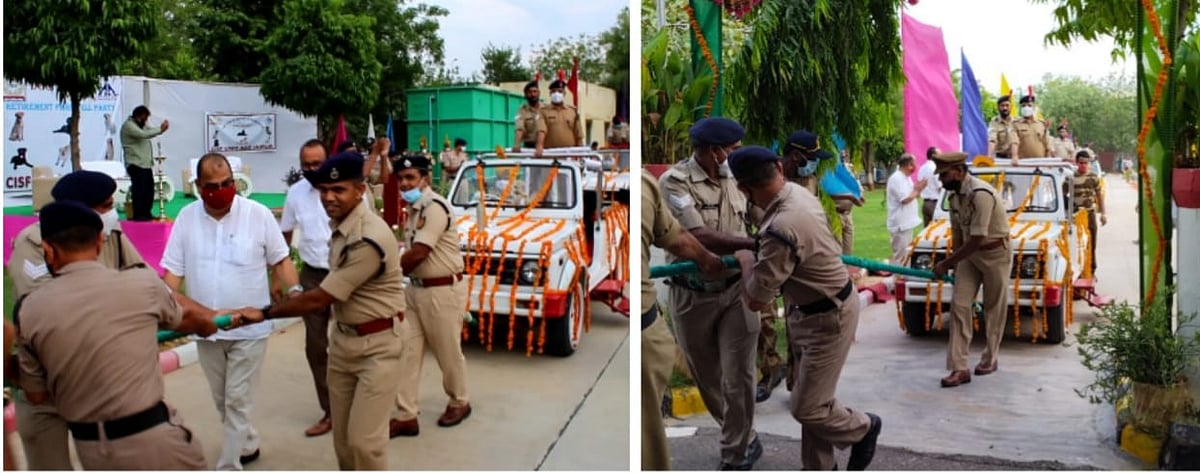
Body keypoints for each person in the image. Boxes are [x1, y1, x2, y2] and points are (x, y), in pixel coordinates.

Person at [14, 201, 229, 470]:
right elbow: (186, 319)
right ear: (100, 244)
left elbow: (35, 395)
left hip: (94, 451)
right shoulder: (142, 284)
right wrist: (211, 321)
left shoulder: (29, 311)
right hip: (157, 441)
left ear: (48, 250)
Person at [236, 151, 407, 470]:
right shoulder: (341, 226)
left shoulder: (368, 237)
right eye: (324, 191)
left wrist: (264, 313)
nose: (328, 197)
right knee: (343, 443)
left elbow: (320, 298)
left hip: (378, 347)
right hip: (344, 343)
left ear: (360, 190)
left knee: (365, 443)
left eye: (338, 190)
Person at [728, 146, 882, 471]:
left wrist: (745, 261)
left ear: (744, 188)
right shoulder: (797, 194)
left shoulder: (781, 229)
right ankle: (818, 467)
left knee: (807, 407)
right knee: (813, 396)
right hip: (812, 309)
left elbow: (756, 298)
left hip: (828, 317)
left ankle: (863, 428)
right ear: (779, 171)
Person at [162, 153, 299, 470]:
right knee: (224, 399)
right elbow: (172, 275)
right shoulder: (186, 218)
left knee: (237, 399)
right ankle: (247, 443)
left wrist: (295, 293)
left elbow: (281, 259)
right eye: (213, 186)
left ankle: (229, 463)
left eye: (227, 184)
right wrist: (166, 305)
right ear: (198, 186)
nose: (221, 190)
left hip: (249, 328)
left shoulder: (258, 214)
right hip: (207, 329)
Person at [5, 170, 145, 470]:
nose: (113, 212)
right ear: (80, 208)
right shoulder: (34, 243)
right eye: (106, 206)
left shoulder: (112, 236)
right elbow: (50, 312)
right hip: (45, 386)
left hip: (99, 381)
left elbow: (144, 283)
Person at [659, 117, 762, 470]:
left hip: (737, 290)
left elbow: (760, 213)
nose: (735, 155)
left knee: (739, 376)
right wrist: (753, 244)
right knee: (709, 379)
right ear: (714, 150)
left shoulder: (738, 177)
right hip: (693, 296)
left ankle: (735, 453)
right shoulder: (674, 181)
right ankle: (745, 436)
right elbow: (696, 236)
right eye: (731, 150)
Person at [640, 169, 726, 470]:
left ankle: (740, 440)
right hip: (656, 323)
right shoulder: (664, 182)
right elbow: (683, 237)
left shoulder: (643, 186)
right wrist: (709, 259)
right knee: (647, 441)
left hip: (731, 292)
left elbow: (677, 238)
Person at [390, 154, 472, 437]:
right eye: (400, 179)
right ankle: (406, 414)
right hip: (415, 290)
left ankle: (460, 400)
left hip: (442, 291)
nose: (404, 184)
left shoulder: (434, 208)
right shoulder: (413, 209)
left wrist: (381, 272)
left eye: (410, 178)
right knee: (406, 352)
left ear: (424, 179)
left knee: (448, 353)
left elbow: (419, 253)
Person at [930, 152, 1012, 388]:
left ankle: (990, 358)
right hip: (969, 257)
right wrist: (954, 265)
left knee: (993, 308)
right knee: (959, 305)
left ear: (958, 171)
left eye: (944, 175)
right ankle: (959, 367)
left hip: (996, 254)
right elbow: (959, 236)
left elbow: (977, 238)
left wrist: (945, 263)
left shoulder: (981, 194)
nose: (941, 180)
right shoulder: (954, 197)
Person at [279, 139, 337, 437]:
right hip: (313, 275)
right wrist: (282, 275)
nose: (312, 169)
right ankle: (330, 411)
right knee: (315, 346)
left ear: (328, 161)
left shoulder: (344, 187)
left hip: (347, 274)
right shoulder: (296, 193)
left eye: (318, 163)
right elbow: (285, 234)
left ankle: (362, 404)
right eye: (307, 164)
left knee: (353, 342)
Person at [120, 105, 169, 221]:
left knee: (149, 190)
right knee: (139, 190)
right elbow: (143, 135)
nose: (146, 120)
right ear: (138, 116)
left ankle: (146, 213)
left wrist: (159, 129)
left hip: (145, 164)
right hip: (135, 163)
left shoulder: (140, 125)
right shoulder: (129, 126)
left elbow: (149, 130)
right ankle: (138, 215)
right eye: (144, 117)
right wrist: (160, 130)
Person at [886, 153, 926, 266]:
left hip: (907, 222)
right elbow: (905, 199)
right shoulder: (897, 178)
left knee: (906, 253)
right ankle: (897, 279)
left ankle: (900, 276)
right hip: (900, 223)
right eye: (913, 164)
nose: (915, 167)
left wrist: (919, 189)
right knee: (901, 254)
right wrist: (917, 190)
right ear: (909, 165)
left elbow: (913, 195)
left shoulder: (906, 178)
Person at [1072, 150, 1107, 278]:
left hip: (1090, 214)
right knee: (1077, 244)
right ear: (1077, 163)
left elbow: (1100, 196)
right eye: (1081, 163)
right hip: (1076, 215)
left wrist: (1103, 213)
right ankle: (1078, 272)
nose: (1083, 166)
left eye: (1086, 163)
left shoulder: (1093, 177)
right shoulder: (1071, 178)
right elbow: (1063, 194)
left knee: (1091, 243)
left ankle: (1091, 271)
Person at [541, 80, 583, 149]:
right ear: (550, 93)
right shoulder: (544, 111)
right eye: (553, 91)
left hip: (569, 153)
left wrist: (581, 152)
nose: (556, 94)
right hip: (550, 153)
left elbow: (579, 134)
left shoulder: (572, 111)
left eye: (560, 91)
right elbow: (541, 132)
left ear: (564, 93)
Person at [513, 80, 547, 156]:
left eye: (535, 91)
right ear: (526, 94)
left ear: (539, 93)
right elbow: (519, 128)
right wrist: (517, 144)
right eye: (530, 92)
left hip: (545, 148)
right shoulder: (522, 110)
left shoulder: (546, 109)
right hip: (529, 149)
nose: (533, 94)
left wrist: (540, 145)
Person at [1013, 95, 1050, 161]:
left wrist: (1049, 160)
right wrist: (1014, 156)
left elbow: (1047, 144)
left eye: (1029, 105)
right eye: (1023, 106)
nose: (1026, 108)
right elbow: (1014, 143)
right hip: (1023, 164)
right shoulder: (1015, 124)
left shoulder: (1042, 124)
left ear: (1034, 107)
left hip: (1040, 163)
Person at [917, 147, 944, 226]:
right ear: (933, 155)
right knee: (937, 229)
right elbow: (940, 187)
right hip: (934, 204)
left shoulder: (922, 168)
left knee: (927, 230)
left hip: (925, 203)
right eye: (939, 154)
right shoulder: (935, 168)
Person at [363, 137, 392, 210]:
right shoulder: (365, 160)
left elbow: (385, 178)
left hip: (381, 193)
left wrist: (383, 156)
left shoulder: (382, 159)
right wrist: (375, 152)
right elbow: (363, 174)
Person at [987, 96, 1018, 160]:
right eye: (1002, 106)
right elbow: (992, 140)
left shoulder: (1017, 121)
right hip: (1001, 158)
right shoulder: (994, 122)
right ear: (998, 107)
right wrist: (989, 156)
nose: (1005, 108)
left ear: (1011, 107)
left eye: (1007, 105)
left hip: (1016, 157)